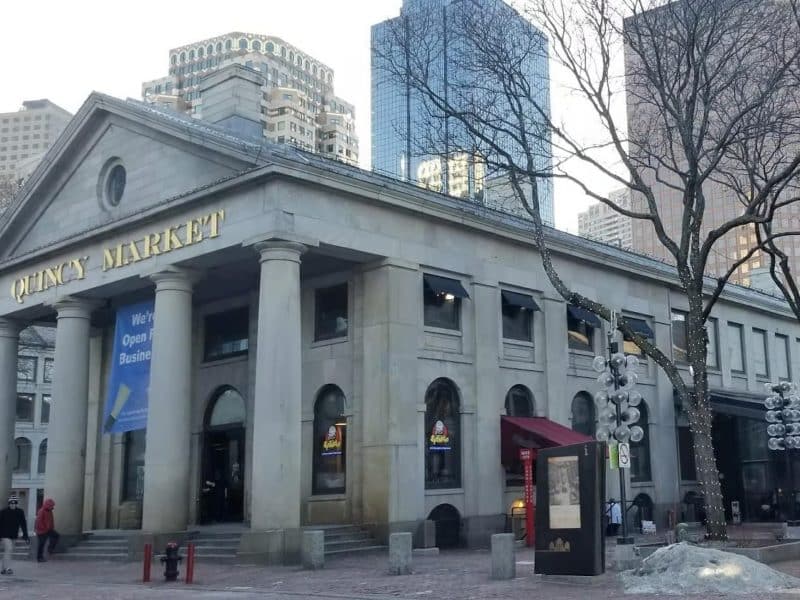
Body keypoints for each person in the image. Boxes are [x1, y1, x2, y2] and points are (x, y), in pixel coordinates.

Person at [0, 494, 29, 575]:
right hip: (4, 534)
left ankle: (3, 569)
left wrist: (25, 535)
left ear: (17, 503)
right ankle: (7, 568)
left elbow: (23, 524)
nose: (13, 505)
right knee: (9, 549)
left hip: (13, 534)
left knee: (8, 551)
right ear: (9, 503)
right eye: (11, 503)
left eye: (14, 503)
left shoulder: (20, 512)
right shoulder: (3, 512)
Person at [34, 498, 58, 563]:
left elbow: (51, 521)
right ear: (48, 505)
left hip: (48, 529)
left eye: (53, 506)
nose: (53, 507)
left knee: (56, 535)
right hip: (41, 531)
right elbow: (38, 521)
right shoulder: (41, 511)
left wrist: (52, 527)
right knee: (41, 544)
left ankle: (50, 548)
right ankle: (39, 558)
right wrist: (43, 529)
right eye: (52, 506)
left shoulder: (50, 511)